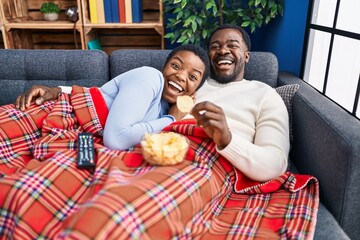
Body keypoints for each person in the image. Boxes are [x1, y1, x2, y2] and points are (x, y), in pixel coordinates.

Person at [14, 25, 289, 182]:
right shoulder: (177, 89)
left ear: (248, 56)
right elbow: (108, 99)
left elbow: (275, 163)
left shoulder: (265, 94)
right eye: (215, 46)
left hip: (203, 165)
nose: (222, 50)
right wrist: (59, 91)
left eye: (232, 45)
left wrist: (228, 139)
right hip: (153, 157)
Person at [15, 44, 210, 151]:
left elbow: (104, 95)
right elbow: (116, 140)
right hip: (40, 119)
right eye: (176, 66)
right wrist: (172, 119)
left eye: (192, 77)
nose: (181, 76)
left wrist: (59, 89)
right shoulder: (151, 77)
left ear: (194, 91)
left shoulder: (164, 109)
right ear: (164, 67)